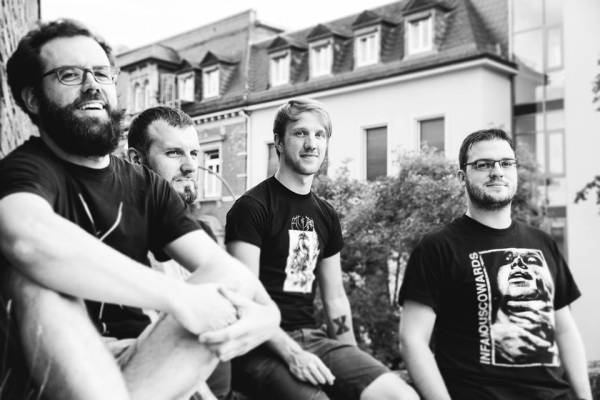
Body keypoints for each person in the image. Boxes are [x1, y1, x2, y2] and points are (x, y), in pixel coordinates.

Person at [0, 19, 279, 400]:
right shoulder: (24, 170)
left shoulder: (147, 186)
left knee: (227, 279)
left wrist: (268, 316)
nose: (92, 85)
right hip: (58, 369)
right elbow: (26, 238)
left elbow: (228, 272)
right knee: (35, 275)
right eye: (70, 74)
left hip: (144, 363)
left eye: (101, 73)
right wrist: (179, 297)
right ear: (33, 98)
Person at [225, 98, 418, 400]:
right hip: (259, 343)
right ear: (279, 141)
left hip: (313, 339)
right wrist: (292, 354)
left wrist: (353, 369)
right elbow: (244, 299)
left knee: (400, 396)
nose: (311, 143)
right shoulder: (252, 208)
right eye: (300, 133)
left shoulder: (326, 215)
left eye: (320, 135)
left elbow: (336, 298)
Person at [398, 128, 592, 400]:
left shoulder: (543, 242)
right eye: (483, 164)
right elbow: (412, 340)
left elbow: (564, 329)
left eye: (506, 163)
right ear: (462, 177)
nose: (497, 171)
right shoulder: (437, 248)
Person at [127, 105, 230, 399]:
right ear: (136, 160)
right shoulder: (125, 233)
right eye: (174, 153)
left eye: (194, 153)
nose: (190, 166)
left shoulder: (203, 233)